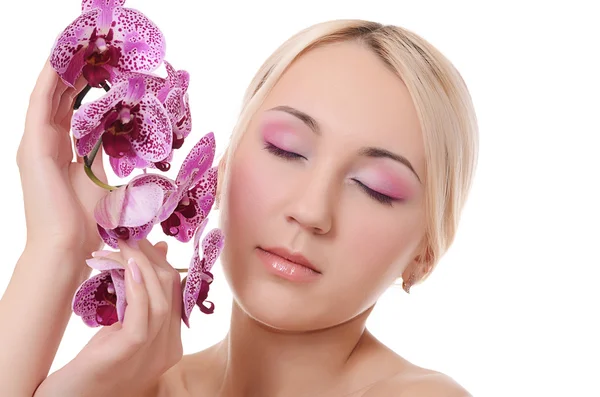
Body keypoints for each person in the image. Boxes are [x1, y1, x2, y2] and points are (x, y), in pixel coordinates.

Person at [0, 19, 478, 397]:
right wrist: (56, 248)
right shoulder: (122, 381)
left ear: (425, 254)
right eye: (286, 150)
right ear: (222, 168)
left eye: (375, 188)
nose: (311, 211)